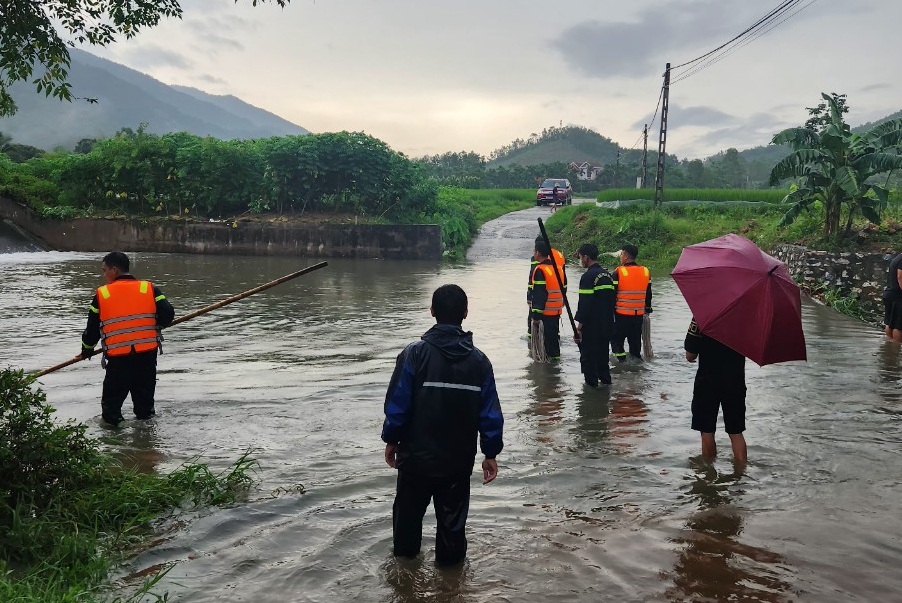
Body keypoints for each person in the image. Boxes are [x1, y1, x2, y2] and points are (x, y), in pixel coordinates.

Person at [382, 284, 504, 566]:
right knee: (452, 527)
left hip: (416, 458)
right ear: (465, 313)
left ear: (433, 311)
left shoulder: (414, 354)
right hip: (457, 462)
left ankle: (403, 581)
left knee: (407, 523)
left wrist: (391, 439)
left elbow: (398, 404)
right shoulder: (480, 362)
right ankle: (451, 586)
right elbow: (490, 414)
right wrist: (490, 454)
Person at [77, 251, 174, 426]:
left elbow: (92, 331)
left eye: (104, 270)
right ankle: (146, 443)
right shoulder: (149, 288)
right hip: (146, 357)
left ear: (114, 270)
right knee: (145, 411)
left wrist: (87, 349)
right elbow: (168, 315)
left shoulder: (102, 294)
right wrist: (155, 324)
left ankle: (116, 448)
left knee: (111, 412)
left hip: (119, 360)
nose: (104, 274)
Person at [684, 318, 747, 464]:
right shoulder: (745, 318)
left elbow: (690, 356)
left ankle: (708, 478)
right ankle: (741, 476)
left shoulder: (702, 315)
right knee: (736, 432)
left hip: (707, 382)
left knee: (707, 432)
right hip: (735, 381)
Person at [573, 243, 615, 386]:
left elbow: (585, 305)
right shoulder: (608, 275)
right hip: (607, 326)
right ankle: (606, 387)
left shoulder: (588, 277)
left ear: (586, 258)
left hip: (592, 328)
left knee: (588, 362)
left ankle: (592, 395)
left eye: (580, 257)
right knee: (603, 361)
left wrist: (579, 328)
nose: (580, 260)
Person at [611, 244, 652, 363]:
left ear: (626, 256)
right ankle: (636, 369)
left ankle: (620, 364)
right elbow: (648, 293)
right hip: (638, 316)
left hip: (621, 315)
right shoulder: (645, 271)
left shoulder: (619, 271)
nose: (620, 257)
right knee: (635, 345)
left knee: (617, 343)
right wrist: (648, 309)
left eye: (622, 254)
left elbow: (612, 294)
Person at [526, 238, 567, 347]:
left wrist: (535, 315)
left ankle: (535, 353)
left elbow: (539, 293)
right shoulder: (558, 266)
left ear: (538, 252)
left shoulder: (540, 269)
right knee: (553, 342)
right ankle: (555, 362)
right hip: (556, 309)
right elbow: (564, 284)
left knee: (542, 343)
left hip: (544, 312)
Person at [882, 250, 902, 343]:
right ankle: (895, 348)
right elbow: (900, 276)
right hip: (897, 296)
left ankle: (889, 346)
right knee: (898, 325)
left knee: (889, 323)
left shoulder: (896, 258)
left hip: (889, 294)